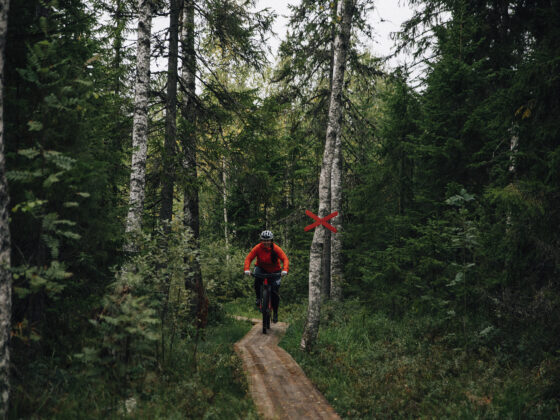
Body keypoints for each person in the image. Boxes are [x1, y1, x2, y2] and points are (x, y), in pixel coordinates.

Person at [244, 230, 289, 323]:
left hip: (275, 271)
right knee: (257, 280)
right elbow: (249, 258)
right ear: (261, 240)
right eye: (264, 240)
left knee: (275, 292)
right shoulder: (257, 248)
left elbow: (285, 259)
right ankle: (258, 298)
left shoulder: (276, 249)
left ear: (271, 240)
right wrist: (246, 269)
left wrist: (285, 270)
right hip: (261, 268)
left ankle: (275, 313)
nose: (266, 242)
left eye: (268, 240)